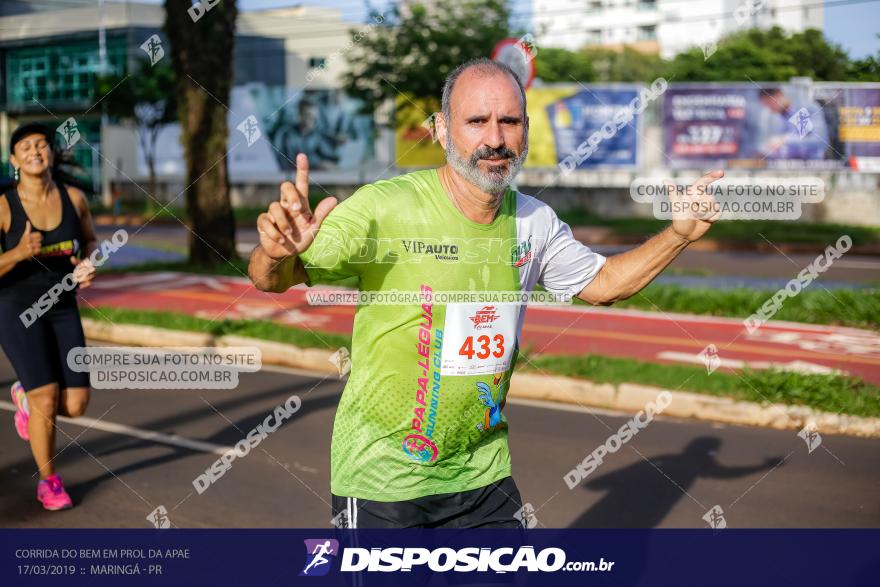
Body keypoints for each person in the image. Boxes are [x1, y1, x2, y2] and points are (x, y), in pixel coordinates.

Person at [248, 59, 722, 528]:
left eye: (509, 122)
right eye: (477, 121)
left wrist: (678, 235)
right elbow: (272, 277)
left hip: (483, 478)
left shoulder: (534, 222)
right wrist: (274, 252)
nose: (495, 139)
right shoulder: (383, 208)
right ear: (440, 129)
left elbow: (603, 284)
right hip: (382, 481)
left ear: (526, 130)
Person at [0, 123, 99, 510]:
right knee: (46, 396)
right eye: (25, 146)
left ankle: (26, 397)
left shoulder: (73, 198)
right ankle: (49, 481)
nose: (35, 150)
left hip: (61, 305)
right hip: (14, 307)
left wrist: (90, 263)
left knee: (75, 405)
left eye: (42, 144)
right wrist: (19, 253)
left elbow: (90, 240)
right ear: (14, 160)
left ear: (52, 153)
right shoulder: (5, 205)